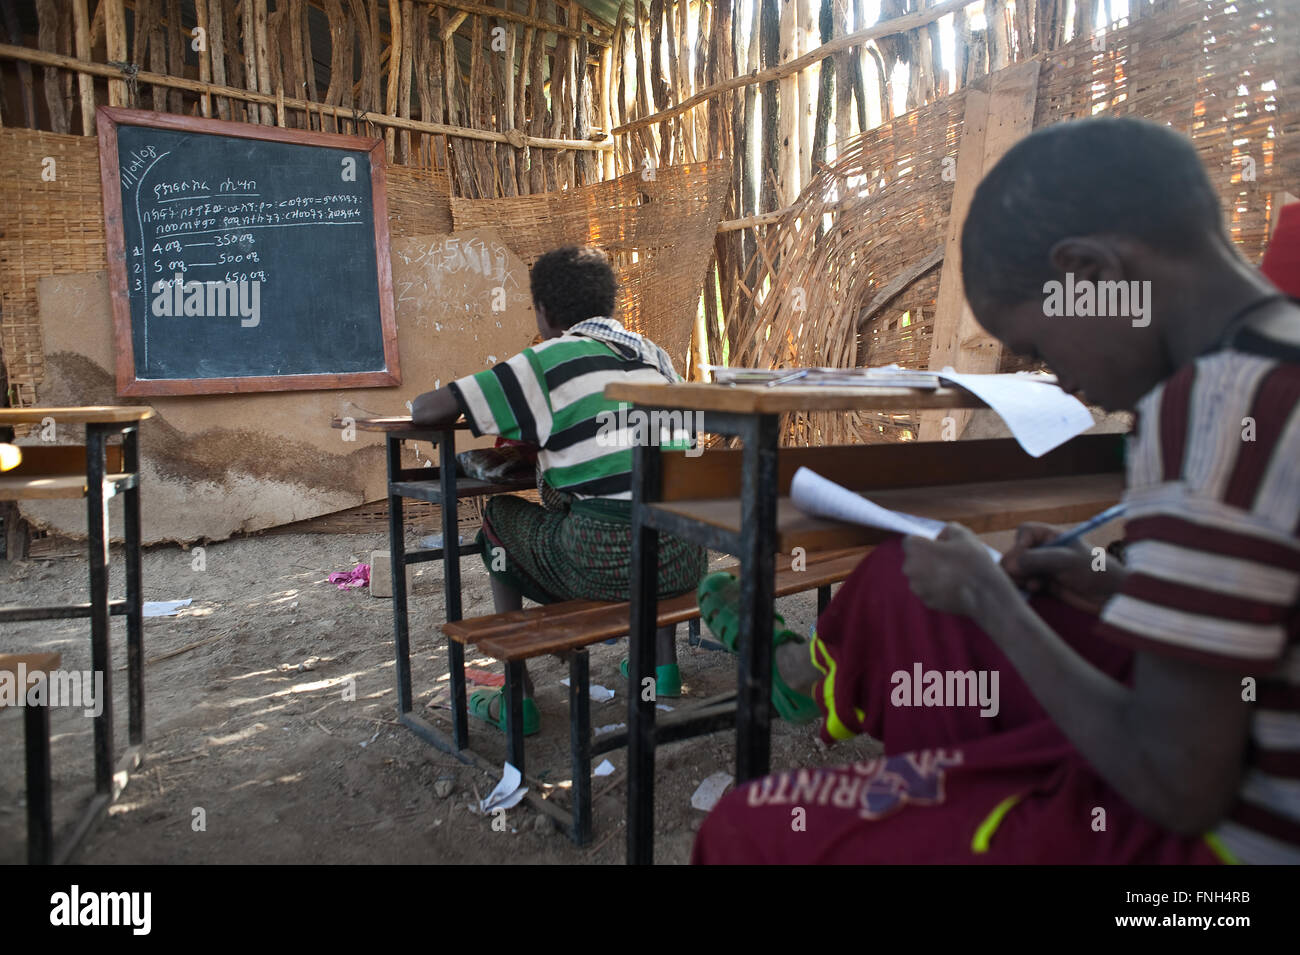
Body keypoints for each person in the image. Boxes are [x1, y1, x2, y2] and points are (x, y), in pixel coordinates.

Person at [692, 117, 1300, 864]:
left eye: (1040, 347)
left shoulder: (1214, 405)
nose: (1061, 379)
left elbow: (1178, 786)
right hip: (1232, 747)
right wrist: (1108, 577)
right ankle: (941, 764)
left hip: (1231, 840)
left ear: (1091, 274)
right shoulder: (1273, 359)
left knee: (746, 830)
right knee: (901, 585)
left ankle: (951, 775)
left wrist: (995, 602)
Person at [412, 246, 706, 735]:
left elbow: (429, 410)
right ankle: (662, 668)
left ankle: (517, 694)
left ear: (544, 312)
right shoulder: (655, 357)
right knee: (651, 499)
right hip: (684, 559)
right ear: (608, 305)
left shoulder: (547, 361)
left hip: (608, 565)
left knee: (498, 518)